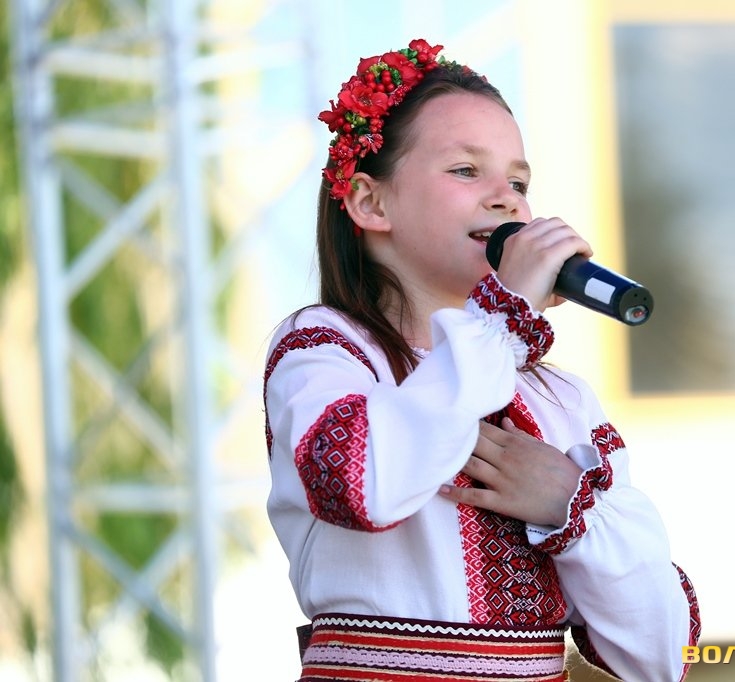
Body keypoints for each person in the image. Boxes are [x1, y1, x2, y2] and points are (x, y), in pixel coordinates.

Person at [263, 38, 701, 682]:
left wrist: (569, 504)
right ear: (370, 203)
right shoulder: (327, 349)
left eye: (519, 182)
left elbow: (662, 656)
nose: (507, 199)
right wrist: (500, 319)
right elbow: (363, 485)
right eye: (466, 170)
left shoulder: (561, 400)